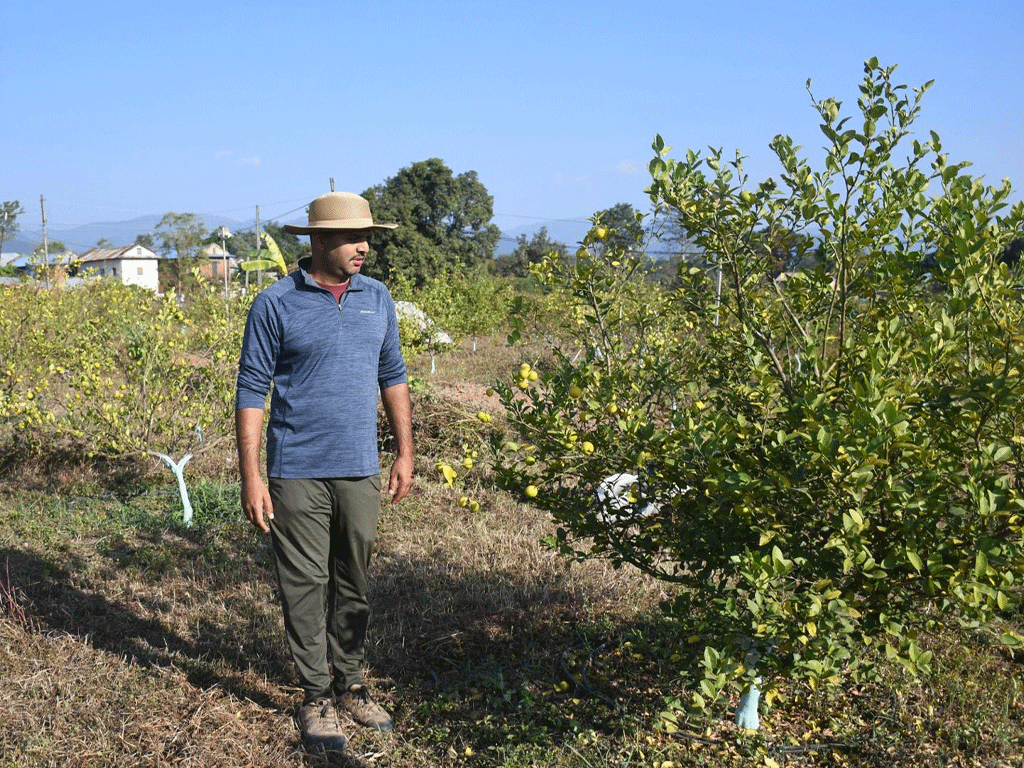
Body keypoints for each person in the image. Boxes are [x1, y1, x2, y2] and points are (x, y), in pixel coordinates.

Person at [235, 191, 414, 752]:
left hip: (359, 467)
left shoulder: (377, 298)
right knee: (304, 585)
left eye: (368, 237)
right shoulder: (275, 303)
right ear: (318, 240)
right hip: (297, 470)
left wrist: (405, 452)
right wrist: (251, 476)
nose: (364, 247)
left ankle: (352, 682)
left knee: (354, 578)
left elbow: (393, 376)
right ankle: (316, 695)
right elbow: (251, 391)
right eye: (353, 237)